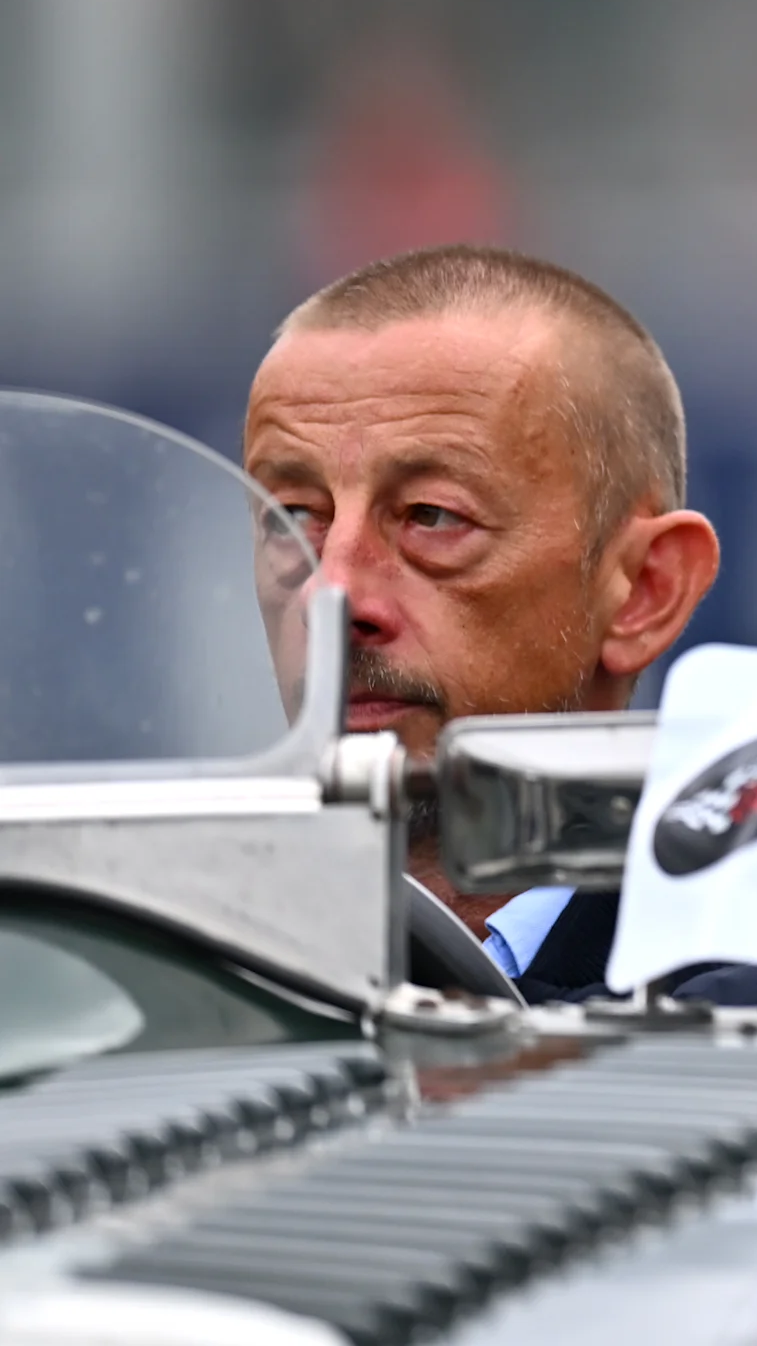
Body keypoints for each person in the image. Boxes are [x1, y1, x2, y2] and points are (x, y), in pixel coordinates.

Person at [244, 244, 722, 996]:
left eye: (432, 517)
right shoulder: (160, 978)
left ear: (643, 591)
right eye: (293, 516)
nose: (330, 593)